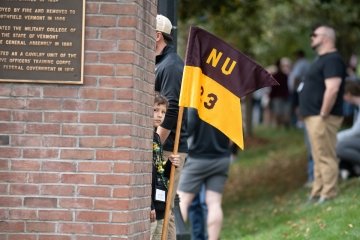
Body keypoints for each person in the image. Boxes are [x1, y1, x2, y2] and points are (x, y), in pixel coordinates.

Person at [299, 24, 346, 204]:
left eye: (314, 35)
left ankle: (329, 193)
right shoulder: (321, 59)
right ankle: (318, 191)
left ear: (326, 38)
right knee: (317, 155)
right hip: (313, 116)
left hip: (323, 116)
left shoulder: (333, 60)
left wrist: (324, 112)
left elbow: (332, 89)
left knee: (325, 155)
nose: (311, 37)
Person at [154, 14, 188, 239]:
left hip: (168, 147)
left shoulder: (172, 66)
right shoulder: (159, 63)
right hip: (160, 147)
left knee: (165, 209)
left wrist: (155, 143)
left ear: (157, 36)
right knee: (161, 208)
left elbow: (172, 109)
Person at [178, 108, 232, 240]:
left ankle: (174, 236)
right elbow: (235, 132)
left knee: (181, 201)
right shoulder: (229, 99)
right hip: (222, 159)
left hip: (198, 159)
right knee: (214, 203)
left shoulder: (198, 98)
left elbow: (188, 129)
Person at [151, 93, 181, 239]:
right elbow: (148, 176)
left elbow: (159, 172)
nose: (159, 115)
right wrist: (150, 206)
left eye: (163, 112)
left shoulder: (156, 137)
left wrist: (170, 164)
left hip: (160, 206)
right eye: (155, 110)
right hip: (151, 208)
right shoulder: (147, 138)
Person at [336, 80, 360, 178]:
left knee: (340, 147)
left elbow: (357, 131)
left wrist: (336, 136)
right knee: (340, 144)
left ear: (349, 94)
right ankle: (351, 169)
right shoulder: (357, 108)